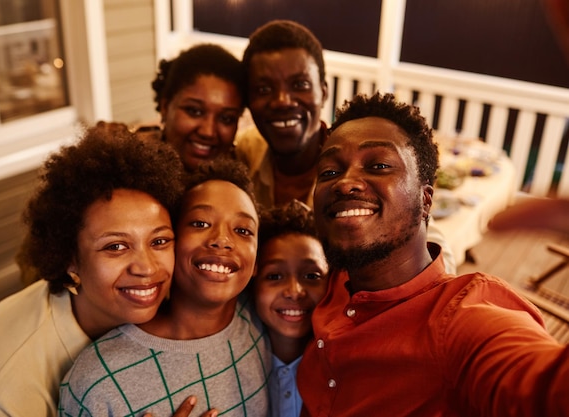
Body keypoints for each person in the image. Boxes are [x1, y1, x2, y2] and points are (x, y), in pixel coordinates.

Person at [296, 92, 569, 416]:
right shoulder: (334, 281)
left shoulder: (461, 321)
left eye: (379, 165)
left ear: (426, 200)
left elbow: (544, 392)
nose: (345, 183)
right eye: (329, 171)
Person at [0, 124, 203, 417]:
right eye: (115, 247)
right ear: (69, 258)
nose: (147, 267)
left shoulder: (162, 302)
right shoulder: (12, 386)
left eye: (159, 241)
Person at [236, 19, 457, 273]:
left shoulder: (354, 159)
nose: (282, 101)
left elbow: (427, 242)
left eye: (300, 85)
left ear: (323, 92)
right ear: (249, 102)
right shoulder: (245, 151)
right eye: (264, 89)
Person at [59, 158, 271, 417]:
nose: (222, 240)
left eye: (243, 230)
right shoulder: (97, 379)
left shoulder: (264, 319)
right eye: (200, 223)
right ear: (171, 241)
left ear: (258, 258)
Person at [251, 200, 328, 417]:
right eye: (274, 276)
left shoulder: (340, 368)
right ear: (252, 285)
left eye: (311, 276)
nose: (294, 291)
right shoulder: (237, 365)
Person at [137, 43, 247, 172]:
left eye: (226, 118)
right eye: (194, 111)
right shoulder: (130, 167)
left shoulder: (244, 168)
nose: (208, 132)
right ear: (165, 107)